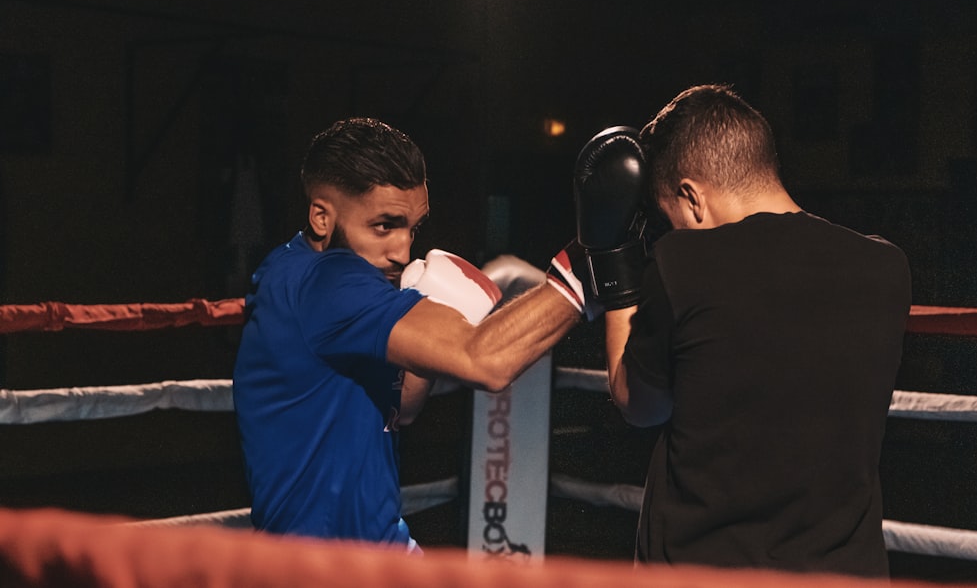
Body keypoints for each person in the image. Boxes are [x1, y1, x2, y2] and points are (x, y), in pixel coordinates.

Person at [579, 85, 911, 577]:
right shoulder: (887, 268)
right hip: (846, 573)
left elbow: (638, 404)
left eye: (671, 220)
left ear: (691, 197)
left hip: (704, 571)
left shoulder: (682, 263)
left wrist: (614, 263)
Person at [232, 117, 584, 551]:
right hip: (323, 568)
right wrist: (585, 267)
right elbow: (487, 363)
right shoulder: (331, 283)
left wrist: (434, 314)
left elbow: (402, 405)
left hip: (379, 548)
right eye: (384, 225)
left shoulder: (290, 268)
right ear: (322, 216)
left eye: (412, 229)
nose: (403, 251)